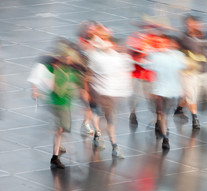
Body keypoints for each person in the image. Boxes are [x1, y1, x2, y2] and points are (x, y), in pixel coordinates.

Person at [31, 39, 87, 169]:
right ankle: (56, 155)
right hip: (57, 103)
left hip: (64, 104)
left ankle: (56, 151)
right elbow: (39, 73)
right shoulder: (54, 68)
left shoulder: (69, 70)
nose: (69, 59)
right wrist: (37, 90)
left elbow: (78, 83)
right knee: (61, 129)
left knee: (62, 129)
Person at [85, 24, 134, 158]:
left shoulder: (110, 54)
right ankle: (105, 138)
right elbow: (90, 71)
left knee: (109, 118)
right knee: (98, 113)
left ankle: (109, 141)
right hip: (97, 90)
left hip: (107, 92)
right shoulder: (94, 53)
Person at [173, 15, 207, 129]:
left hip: (204, 71)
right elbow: (176, 52)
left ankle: (179, 108)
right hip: (189, 72)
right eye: (188, 24)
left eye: (192, 24)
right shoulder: (183, 38)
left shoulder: (205, 37)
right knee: (192, 95)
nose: (190, 26)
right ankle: (195, 118)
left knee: (191, 95)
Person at [147, 35, 186, 150]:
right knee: (164, 114)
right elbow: (182, 72)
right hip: (170, 90)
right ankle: (164, 134)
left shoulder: (157, 56)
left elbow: (149, 69)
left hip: (160, 90)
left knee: (162, 114)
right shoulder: (179, 56)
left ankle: (164, 134)